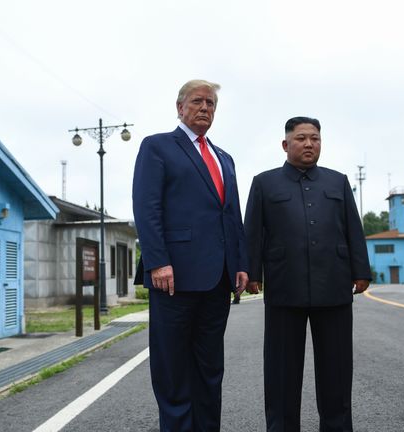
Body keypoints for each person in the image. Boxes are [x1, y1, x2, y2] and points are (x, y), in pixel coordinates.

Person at [132, 79, 250, 431]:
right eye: (198, 101)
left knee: (209, 367)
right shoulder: (157, 147)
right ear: (180, 107)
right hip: (173, 276)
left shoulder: (224, 157)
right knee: (173, 367)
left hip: (218, 279)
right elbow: (146, 207)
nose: (205, 108)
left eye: (211, 103)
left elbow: (232, 215)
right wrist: (157, 261)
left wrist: (241, 263)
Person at [244, 116, 371, 431]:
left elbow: (353, 229)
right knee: (282, 371)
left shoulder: (337, 181)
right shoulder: (264, 182)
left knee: (337, 370)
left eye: (315, 138)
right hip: (285, 286)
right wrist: (251, 272)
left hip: (334, 285)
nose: (309, 144)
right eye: (301, 138)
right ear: (286, 144)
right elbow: (253, 232)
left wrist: (361, 270)